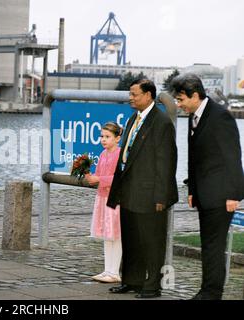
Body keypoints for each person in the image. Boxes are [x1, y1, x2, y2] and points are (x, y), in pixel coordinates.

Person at [170, 74, 244, 300]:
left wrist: (234, 195)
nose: (178, 104)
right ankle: (207, 290)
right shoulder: (195, 117)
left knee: (214, 246)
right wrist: (192, 189)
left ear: (195, 95)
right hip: (203, 194)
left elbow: (233, 158)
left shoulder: (220, 117)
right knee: (208, 244)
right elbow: (194, 158)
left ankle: (212, 293)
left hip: (222, 196)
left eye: (181, 99)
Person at [107, 79, 178, 299]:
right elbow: (125, 157)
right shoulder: (133, 119)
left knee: (152, 241)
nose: (130, 98)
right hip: (129, 192)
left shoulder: (161, 122)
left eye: (134, 94)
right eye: (130, 94)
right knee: (131, 240)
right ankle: (131, 280)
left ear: (148, 96)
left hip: (150, 195)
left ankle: (151, 286)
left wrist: (161, 197)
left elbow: (166, 163)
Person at [85, 122, 123, 284]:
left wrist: (99, 179)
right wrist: (89, 175)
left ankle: (115, 271)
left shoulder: (120, 155)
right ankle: (107, 269)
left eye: (107, 137)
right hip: (102, 197)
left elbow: (118, 178)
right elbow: (99, 174)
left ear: (118, 138)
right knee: (107, 235)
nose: (103, 140)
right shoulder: (103, 154)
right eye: (102, 136)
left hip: (115, 199)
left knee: (116, 234)